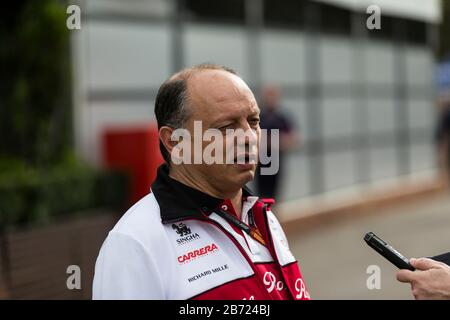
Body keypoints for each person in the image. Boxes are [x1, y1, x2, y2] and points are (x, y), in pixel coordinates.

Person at [92, 64, 310, 300]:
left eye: (254, 121)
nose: (249, 137)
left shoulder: (262, 216)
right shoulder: (134, 244)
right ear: (175, 142)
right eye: (227, 127)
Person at [256, 85, 299, 200]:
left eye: (273, 95)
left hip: (276, 162)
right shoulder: (258, 117)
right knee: (260, 193)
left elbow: (293, 139)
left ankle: (271, 217)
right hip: (260, 164)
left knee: (275, 195)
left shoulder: (282, 118)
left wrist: (270, 141)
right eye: (268, 95)